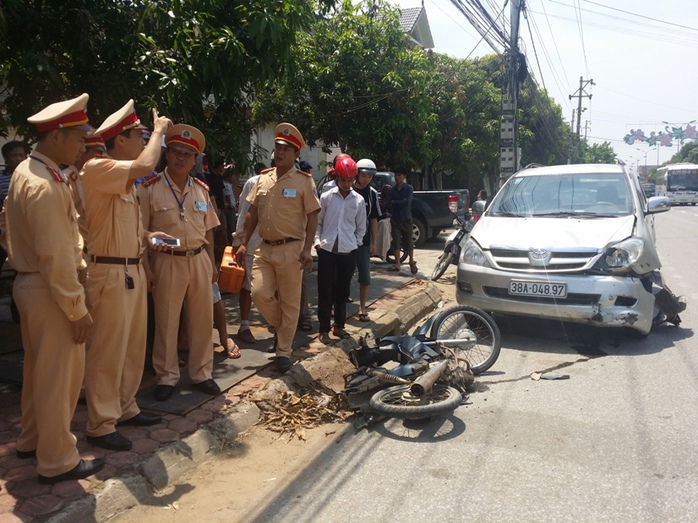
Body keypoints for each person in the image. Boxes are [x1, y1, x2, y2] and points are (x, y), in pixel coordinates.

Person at [0, 93, 104, 483]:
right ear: (58, 136)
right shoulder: (43, 183)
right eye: (79, 138)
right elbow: (58, 257)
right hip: (50, 290)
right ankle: (58, 459)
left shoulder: (29, 172)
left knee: (38, 374)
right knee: (59, 380)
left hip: (33, 287)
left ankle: (31, 440)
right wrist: (77, 310)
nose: (83, 147)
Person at [81, 100, 172, 451]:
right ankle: (101, 423)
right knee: (107, 350)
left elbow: (126, 227)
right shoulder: (97, 168)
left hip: (131, 269)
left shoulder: (123, 179)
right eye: (139, 134)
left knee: (133, 348)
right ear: (121, 140)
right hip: (109, 271)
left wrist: (148, 238)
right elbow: (147, 163)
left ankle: (125, 407)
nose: (144, 139)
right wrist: (161, 130)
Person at [138, 124, 221, 401]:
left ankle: (202, 373)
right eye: (176, 152)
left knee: (201, 320)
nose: (181, 158)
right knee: (166, 321)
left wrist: (212, 263)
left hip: (198, 259)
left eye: (188, 154)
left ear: (195, 160)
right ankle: (167, 376)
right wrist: (147, 269)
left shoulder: (201, 189)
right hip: (166, 261)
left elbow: (209, 228)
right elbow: (139, 233)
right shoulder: (149, 189)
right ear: (167, 154)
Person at [235, 123, 320, 372]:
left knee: (291, 302)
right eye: (278, 147)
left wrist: (308, 249)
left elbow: (313, 216)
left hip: (292, 249)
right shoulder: (263, 179)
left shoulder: (304, 181)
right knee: (259, 294)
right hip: (264, 248)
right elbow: (252, 213)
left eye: (287, 149)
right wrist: (242, 244)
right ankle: (284, 329)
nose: (280, 152)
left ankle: (284, 351)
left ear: (296, 154)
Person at [315, 155, 366, 343]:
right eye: (343, 180)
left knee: (343, 292)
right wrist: (318, 243)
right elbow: (318, 223)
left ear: (354, 179)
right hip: (327, 250)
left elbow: (361, 227)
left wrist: (356, 243)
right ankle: (323, 329)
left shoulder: (358, 201)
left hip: (348, 251)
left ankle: (340, 326)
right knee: (325, 290)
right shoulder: (327, 197)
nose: (346, 183)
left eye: (350, 180)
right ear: (337, 178)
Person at [232, 173, 262, 345]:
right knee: (247, 286)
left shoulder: (292, 182)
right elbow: (244, 213)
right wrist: (239, 242)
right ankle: (244, 326)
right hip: (253, 242)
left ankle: (278, 327)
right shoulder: (253, 182)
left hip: (278, 245)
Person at [353, 159, 381, 321]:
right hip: (346, 240)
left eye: (369, 176)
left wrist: (374, 241)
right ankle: (338, 305)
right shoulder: (347, 189)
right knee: (342, 275)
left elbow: (374, 219)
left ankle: (362, 308)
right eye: (364, 175)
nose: (366, 179)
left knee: (365, 276)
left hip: (363, 241)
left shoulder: (371, 194)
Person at [387, 166, 417, 274]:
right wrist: (399, 202)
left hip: (406, 219)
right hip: (395, 219)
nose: (397, 177)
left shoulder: (409, 188)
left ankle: (411, 261)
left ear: (404, 177)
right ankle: (397, 264)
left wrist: (396, 202)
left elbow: (407, 203)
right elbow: (388, 204)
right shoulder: (391, 190)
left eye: (399, 175)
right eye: (396, 175)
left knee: (408, 242)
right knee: (396, 242)